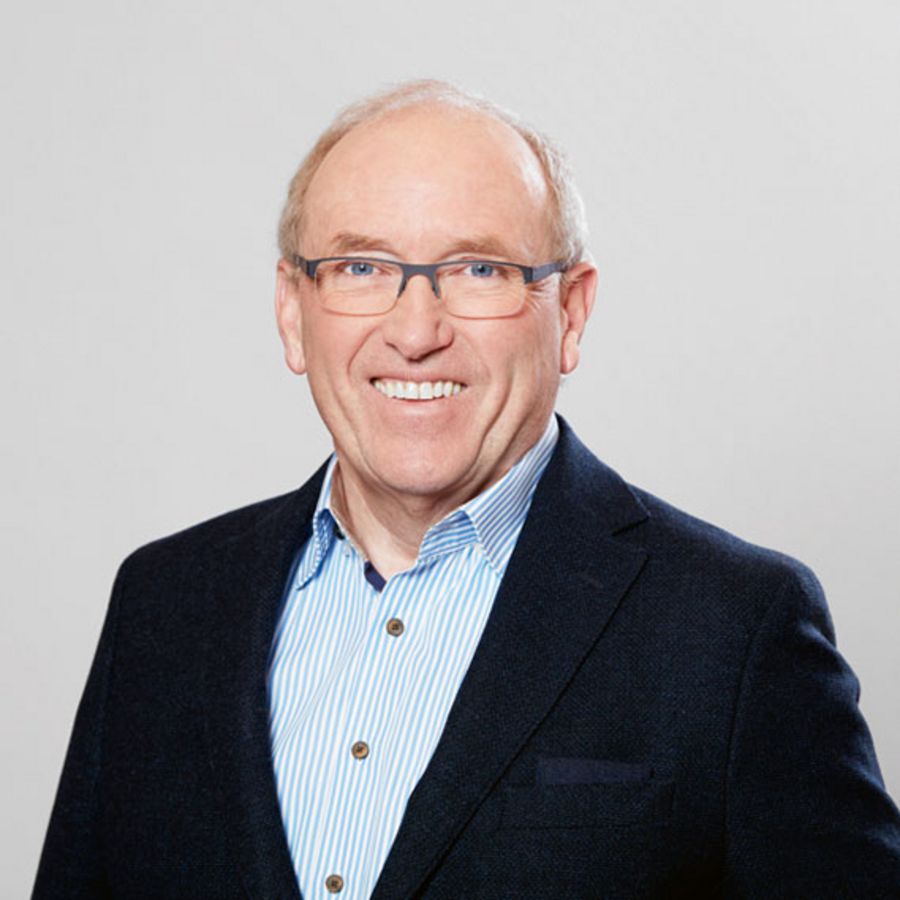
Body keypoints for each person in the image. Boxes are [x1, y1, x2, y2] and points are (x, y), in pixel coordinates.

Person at [34, 80, 900, 899]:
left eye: (479, 270)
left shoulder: (734, 630)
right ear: (293, 312)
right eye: (362, 267)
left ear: (571, 313)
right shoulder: (164, 605)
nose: (416, 332)